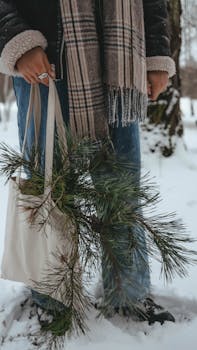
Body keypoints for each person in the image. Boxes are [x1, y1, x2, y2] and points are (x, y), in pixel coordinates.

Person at [0, 0, 176, 324]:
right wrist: (15, 38)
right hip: (43, 61)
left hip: (118, 64)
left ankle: (128, 294)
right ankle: (50, 297)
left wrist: (156, 53)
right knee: (47, 191)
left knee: (121, 192)